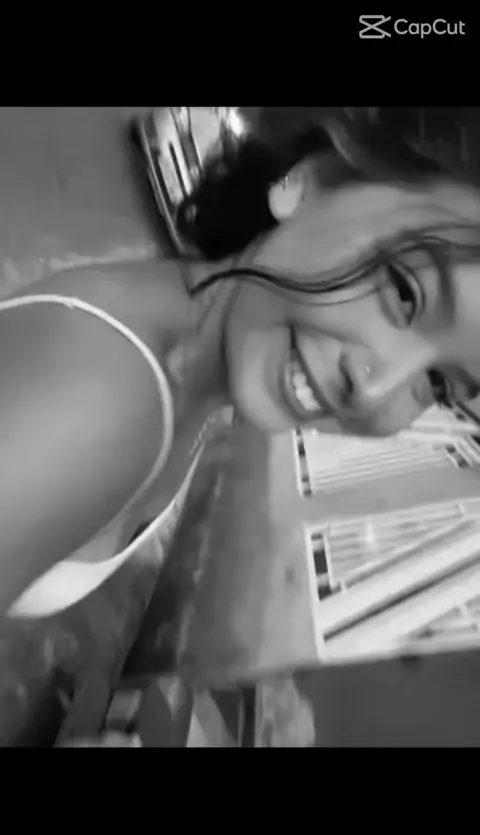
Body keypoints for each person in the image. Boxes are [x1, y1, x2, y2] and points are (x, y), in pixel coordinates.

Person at [2, 105, 480, 620]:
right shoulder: (100, 398)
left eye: (438, 384)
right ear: (314, 182)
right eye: (405, 293)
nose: (375, 388)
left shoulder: (178, 378)